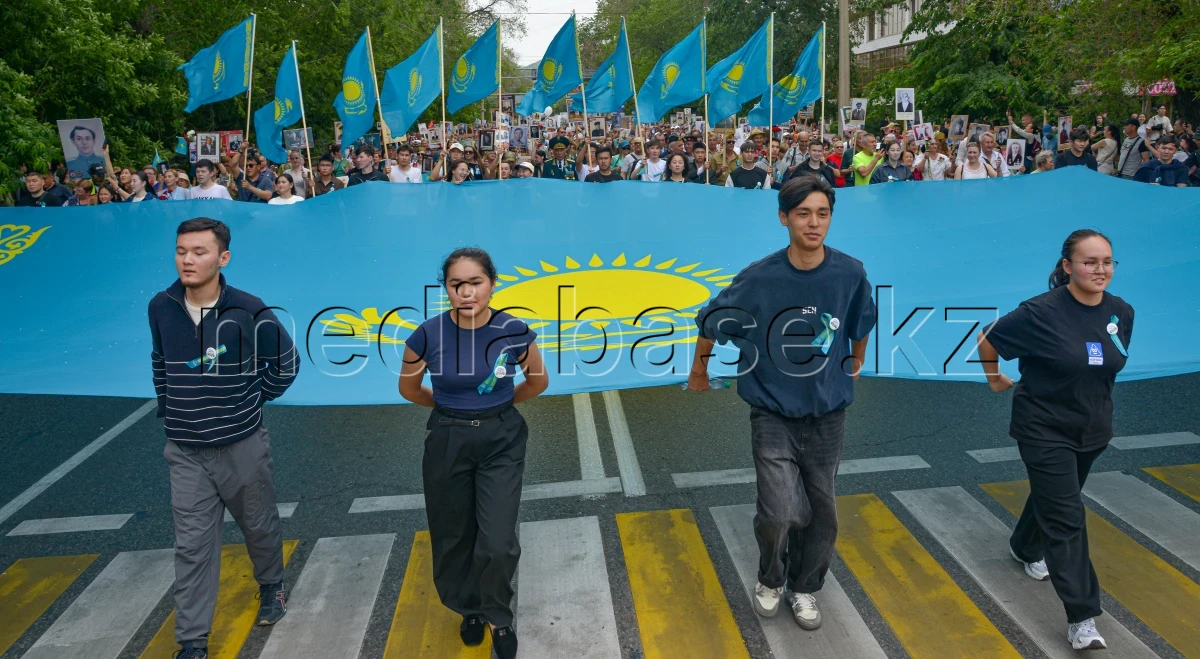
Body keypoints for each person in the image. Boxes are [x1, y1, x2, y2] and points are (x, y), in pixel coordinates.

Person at [689, 175, 876, 633]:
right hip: (772, 411)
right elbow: (711, 321)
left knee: (822, 510)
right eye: (803, 214)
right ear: (784, 218)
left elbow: (860, 321)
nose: (814, 223)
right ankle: (771, 577)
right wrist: (699, 370)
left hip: (828, 413)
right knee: (779, 512)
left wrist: (854, 363)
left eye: (823, 213)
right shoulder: (760, 277)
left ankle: (804, 586)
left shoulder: (849, 273)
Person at [976, 229, 1131, 652]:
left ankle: (1026, 545)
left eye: (1107, 262)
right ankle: (1082, 617)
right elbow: (987, 341)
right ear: (1067, 267)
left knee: (1056, 498)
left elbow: (1107, 366)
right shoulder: (1040, 312)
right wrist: (994, 379)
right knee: (1066, 518)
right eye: (1089, 262)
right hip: (1043, 428)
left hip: (1093, 428)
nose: (1100, 270)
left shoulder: (1121, 312)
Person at [149, 218, 297, 659]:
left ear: (223, 258)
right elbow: (159, 361)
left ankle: (272, 585)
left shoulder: (250, 311)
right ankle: (192, 641)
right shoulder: (162, 306)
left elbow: (286, 365)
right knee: (192, 546)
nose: (188, 260)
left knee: (259, 525)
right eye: (181, 251)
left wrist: (250, 402)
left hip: (242, 445)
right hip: (186, 449)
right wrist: (169, 408)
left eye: (199, 251)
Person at [399, 248, 548, 659]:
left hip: (502, 439)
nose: (466, 292)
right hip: (448, 439)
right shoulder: (426, 335)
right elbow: (409, 389)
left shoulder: (514, 330)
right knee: (454, 534)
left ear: (492, 283)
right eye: (456, 284)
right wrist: (453, 412)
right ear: (446, 288)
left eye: (475, 282)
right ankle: (468, 608)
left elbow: (537, 380)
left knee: (498, 540)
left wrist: (495, 410)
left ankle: (499, 617)